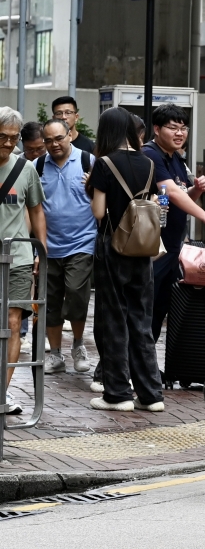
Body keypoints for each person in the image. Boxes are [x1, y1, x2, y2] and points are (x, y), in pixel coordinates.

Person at [86, 107, 165, 412]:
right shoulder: (148, 162)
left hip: (113, 246)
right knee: (141, 320)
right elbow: (154, 202)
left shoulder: (104, 164)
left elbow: (98, 212)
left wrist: (90, 189)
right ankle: (151, 394)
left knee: (114, 319)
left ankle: (118, 393)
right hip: (142, 248)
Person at [143, 104, 205, 342]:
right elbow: (169, 191)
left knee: (159, 309)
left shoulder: (177, 159)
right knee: (143, 309)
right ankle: (117, 368)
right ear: (157, 129)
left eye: (183, 128)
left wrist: (196, 190)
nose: (179, 133)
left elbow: (180, 197)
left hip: (172, 247)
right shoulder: (150, 154)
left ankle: (146, 369)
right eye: (173, 127)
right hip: (152, 248)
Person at [37, 117, 97, 375]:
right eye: (48, 140)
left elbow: (103, 198)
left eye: (59, 138)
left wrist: (92, 188)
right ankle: (55, 353)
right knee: (50, 301)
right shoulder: (37, 165)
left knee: (76, 293)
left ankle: (77, 344)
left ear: (70, 135)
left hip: (82, 242)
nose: (54, 144)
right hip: (48, 246)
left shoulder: (89, 161)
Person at [0, 108, 45, 413]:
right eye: (2, 137)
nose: (8, 143)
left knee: (13, 323)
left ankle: (2, 392)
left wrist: (40, 250)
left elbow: (36, 211)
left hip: (17, 259)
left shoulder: (25, 169)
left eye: (13, 138)